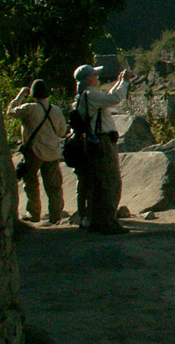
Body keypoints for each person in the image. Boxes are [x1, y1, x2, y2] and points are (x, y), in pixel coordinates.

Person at [72, 63, 132, 234]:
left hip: (93, 141)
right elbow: (113, 99)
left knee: (97, 183)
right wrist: (124, 82)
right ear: (89, 79)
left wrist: (119, 82)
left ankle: (95, 219)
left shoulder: (83, 96)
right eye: (94, 76)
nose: (97, 78)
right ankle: (107, 221)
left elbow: (107, 97)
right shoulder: (90, 95)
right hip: (101, 141)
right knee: (110, 180)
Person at [6, 79, 67, 224]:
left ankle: (34, 213)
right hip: (53, 153)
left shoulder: (29, 108)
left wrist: (21, 94)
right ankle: (56, 216)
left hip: (34, 152)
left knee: (31, 185)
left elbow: (10, 112)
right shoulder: (56, 110)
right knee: (54, 187)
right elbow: (62, 131)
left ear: (33, 94)